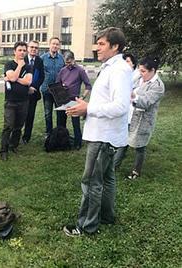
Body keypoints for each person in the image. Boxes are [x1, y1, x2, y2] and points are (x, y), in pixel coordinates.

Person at [63, 27, 132, 236]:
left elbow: (120, 107)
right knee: (107, 177)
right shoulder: (111, 66)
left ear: (115, 46)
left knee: (92, 181)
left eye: (102, 44)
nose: (97, 48)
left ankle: (86, 226)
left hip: (103, 136)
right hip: (106, 134)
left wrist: (88, 109)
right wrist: (87, 104)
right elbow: (107, 100)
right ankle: (106, 216)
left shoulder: (119, 69)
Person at [113, 57, 165, 180]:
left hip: (143, 120)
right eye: (139, 70)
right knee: (122, 142)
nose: (140, 74)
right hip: (130, 116)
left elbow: (146, 102)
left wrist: (132, 95)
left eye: (143, 71)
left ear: (153, 70)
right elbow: (129, 83)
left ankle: (136, 172)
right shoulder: (139, 77)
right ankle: (114, 166)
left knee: (140, 146)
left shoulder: (158, 86)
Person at [0, 41, 33, 161]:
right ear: (15, 51)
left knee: (19, 126)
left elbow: (28, 81)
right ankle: (3, 150)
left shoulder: (28, 67)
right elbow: (12, 77)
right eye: (20, 50)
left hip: (24, 101)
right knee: (8, 125)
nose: (22, 52)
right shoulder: (9, 64)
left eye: (24, 50)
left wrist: (13, 78)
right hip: (11, 101)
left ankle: (14, 145)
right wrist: (19, 66)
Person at [55, 51, 92, 149]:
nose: (67, 65)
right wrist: (61, 87)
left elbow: (88, 86)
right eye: (66, 63)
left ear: (73, 60)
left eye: (69, 62)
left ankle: (78, 142)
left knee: (75, 123)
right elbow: (57, 84)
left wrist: (82, 97)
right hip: (62, 99)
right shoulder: (63, 70)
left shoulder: (80, 70)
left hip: (74, 100)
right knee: (61, 122)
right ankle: (61, 142)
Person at [40, 37, 65, 137]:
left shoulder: (62, 58)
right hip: (47, 89)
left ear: (59, 46)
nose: (55, 46)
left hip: (59, 90)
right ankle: (49, 132)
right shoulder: (42, 58)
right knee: (48, 113)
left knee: (60, 113)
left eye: (57, 44)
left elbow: (65, 72)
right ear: (49, 45)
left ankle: (60, 133)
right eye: (53, 44)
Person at [21, 40, 45, 144]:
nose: (34, 49)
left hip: (34, 93)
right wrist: (27, 88)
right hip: (22, 92)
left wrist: (34, 87)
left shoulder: (39, 61)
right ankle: (15, 135)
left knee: (30, 116)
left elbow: (41, 76)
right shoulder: (22, 59)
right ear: (28, 48)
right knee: (20, 115)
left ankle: (26, 137)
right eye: (32, 47)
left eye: (36, 47)